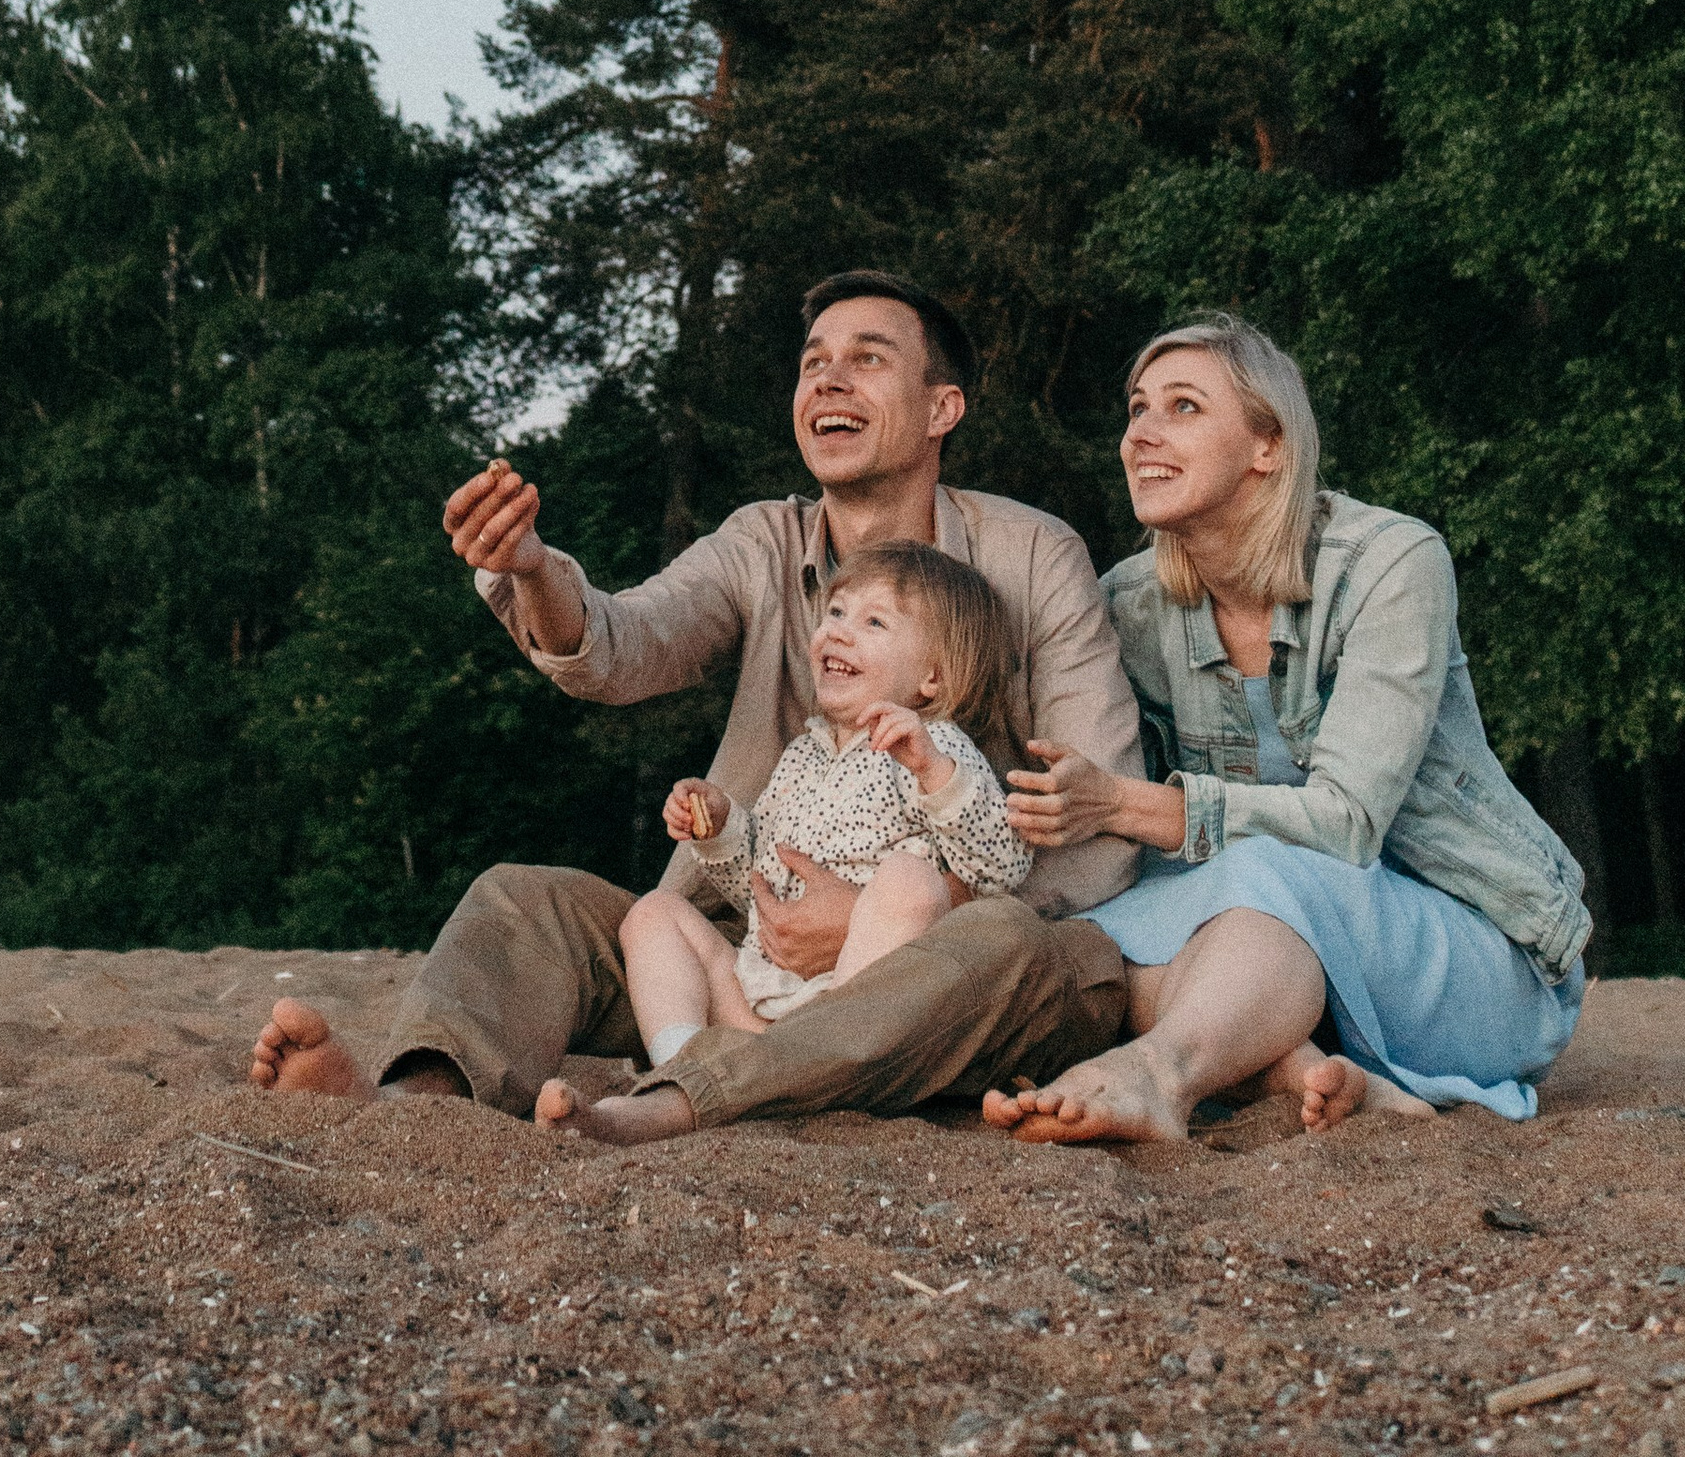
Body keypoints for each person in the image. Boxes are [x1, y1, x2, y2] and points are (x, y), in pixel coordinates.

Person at [249, 270, 1148, 1133]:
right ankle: (417, 1106)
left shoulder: (1033, 555)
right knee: (525, 901)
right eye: (812, 361)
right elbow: (620, 645)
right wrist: (532, 568)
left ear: (940, 409)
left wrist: (900, 915)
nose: (828, 376)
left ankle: (674, 1106)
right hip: (752, 939)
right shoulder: (760, 540)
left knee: (1014, 950)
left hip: (965, 956)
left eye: (868, 357)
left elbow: (1099, 834)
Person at [983, 312, 1593, 1145]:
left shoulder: (1390, 565)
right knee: (1098, 936)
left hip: (1477, 963)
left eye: (1183, 407)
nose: (1141, 435)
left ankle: (1161, 1073)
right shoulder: (1127, 605)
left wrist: (1124, 805)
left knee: (1265, 866)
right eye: (1136, 409)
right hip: (1270, 942)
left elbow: (1345, 826)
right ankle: (1305, 1072)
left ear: (1267, 445)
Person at [536, 540, 1034, 1140]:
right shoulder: (802, 755)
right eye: (835, 613)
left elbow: (1001, 870)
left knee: (907, 880)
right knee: (654, 913)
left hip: (855, 1027)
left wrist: (931, 772)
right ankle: (683, 1075)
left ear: (933, 677)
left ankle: (777, 1079)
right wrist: (721, 831)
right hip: (759, 1009)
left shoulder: (938, 748)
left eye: (873, 621)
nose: (840, 632)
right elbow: (761, 889)